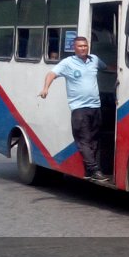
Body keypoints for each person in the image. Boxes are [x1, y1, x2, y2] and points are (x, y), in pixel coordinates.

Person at [38, 36, 109, 182]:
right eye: (80, 46)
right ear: (74, 48)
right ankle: (94, 170)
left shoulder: (94, 59)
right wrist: (46, 88)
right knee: (83, 140)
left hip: (95, 106)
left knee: (94, 139)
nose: (83, 48)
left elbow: (107, 67)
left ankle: (89, 171)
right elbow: (52, 74)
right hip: (79, 108)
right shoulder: (67, 63)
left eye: (85, 46)